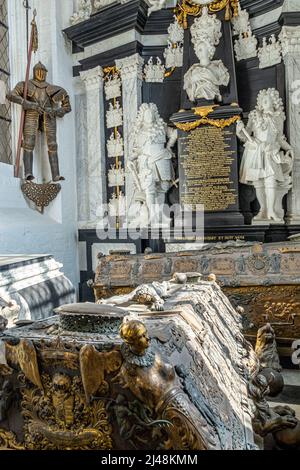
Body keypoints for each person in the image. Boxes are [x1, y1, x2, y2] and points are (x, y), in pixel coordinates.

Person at [7, 62, 71, 182]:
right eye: (38, 71)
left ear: (46, 73)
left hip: (49, 116)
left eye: (43, 71)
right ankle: (28, 173)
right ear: (34, 71)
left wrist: (56, 111)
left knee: (52, 144)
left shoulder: (54, 89)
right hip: (32, 114)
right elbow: (11, 95)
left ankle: (56, 175)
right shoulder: (25, 85)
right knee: (28, 143)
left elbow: (67, 106)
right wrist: (28, 103)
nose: (41, 73)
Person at [237, 88, 294, 222]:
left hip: (271, 151)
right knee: (259, 183)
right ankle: (263, 210)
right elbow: (246, 135)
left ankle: (272, 210)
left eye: (267, 99)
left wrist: (289, 148)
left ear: (273, 102)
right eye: (262, 100)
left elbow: (280, 138)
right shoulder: (254, 116)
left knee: (271, 180)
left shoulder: (278, 118)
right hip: (255, 150)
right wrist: (240, 131)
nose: (264, 102)